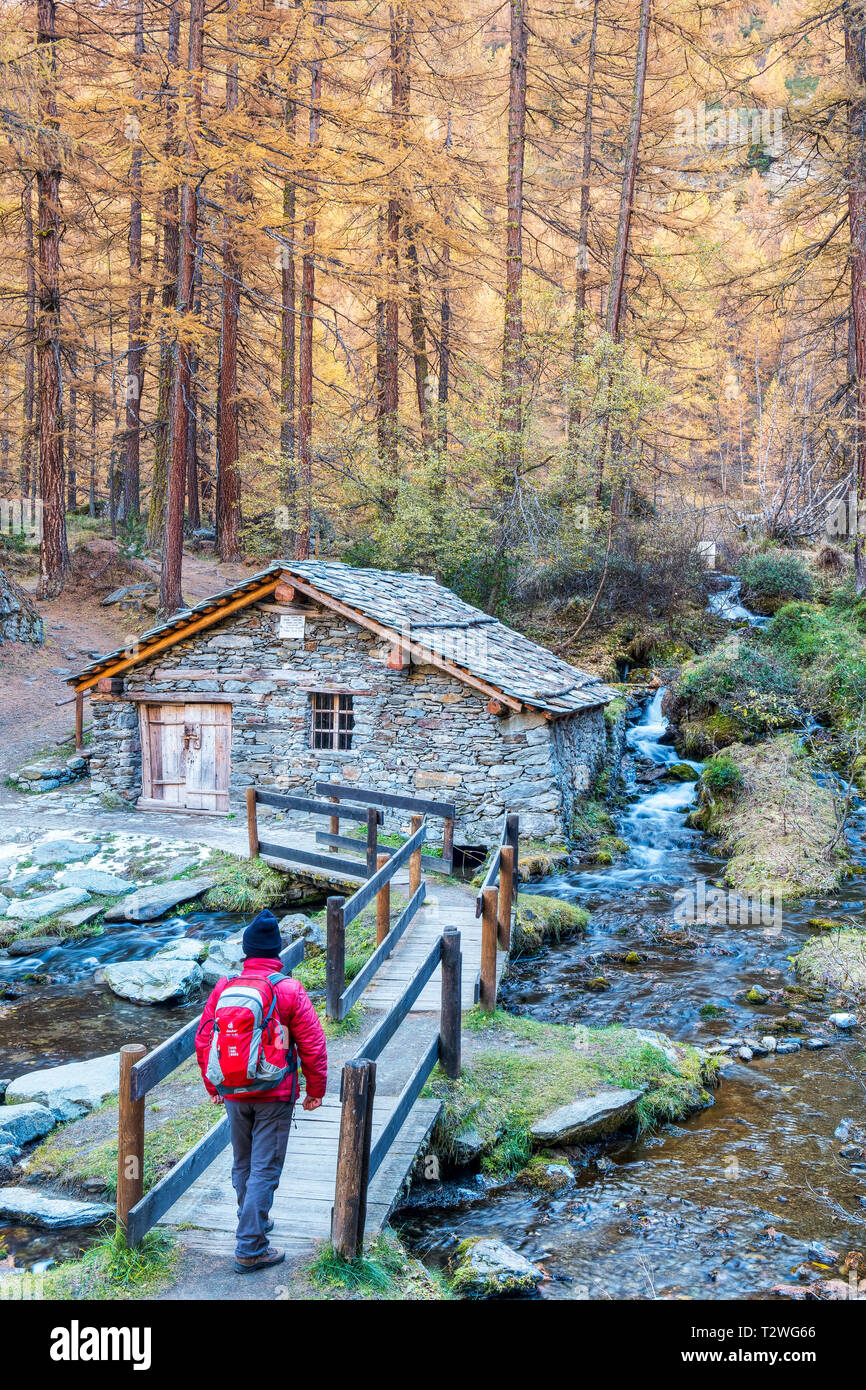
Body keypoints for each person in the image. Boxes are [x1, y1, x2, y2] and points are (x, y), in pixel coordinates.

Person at [195, 908, 327, 1272]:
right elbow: (313, 1045)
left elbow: (205, 1039)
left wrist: (214, 1085)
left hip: (234, 1091)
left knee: (243, 1163)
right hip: (274, 1092)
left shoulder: (225, 987)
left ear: (247, 951)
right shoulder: (288, 990)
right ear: (277, 952)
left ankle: (253, 1219)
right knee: (265, 1169)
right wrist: (315, 1090)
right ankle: (251, 1246)